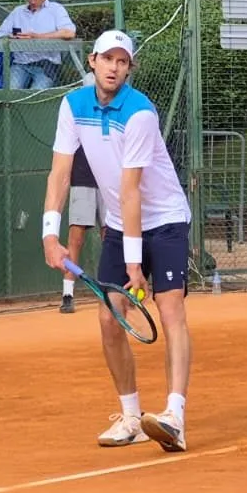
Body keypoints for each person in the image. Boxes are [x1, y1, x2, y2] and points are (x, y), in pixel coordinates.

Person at [42, 30, 193, 452]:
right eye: (107, 59)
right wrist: (49, 234)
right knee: (109, 318)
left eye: (122, 61)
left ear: (129, 68)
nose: (114, 67)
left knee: (170, 309)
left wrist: (133, 265)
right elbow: (60, 173)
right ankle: (131, 418)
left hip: (164, 219)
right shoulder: (72, 105)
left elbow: (131, 191)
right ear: (92, 61)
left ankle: (174, 416)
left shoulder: (140, 113)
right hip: (119, 221)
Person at [60, 147, 103, 315]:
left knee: (111, 237)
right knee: (75, 239)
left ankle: (113, 291)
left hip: (108, 180)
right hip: (81, 178)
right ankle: (67, 294)